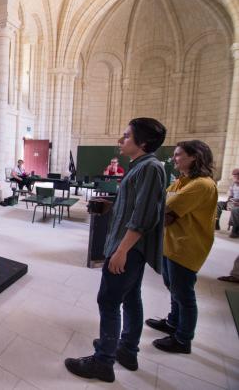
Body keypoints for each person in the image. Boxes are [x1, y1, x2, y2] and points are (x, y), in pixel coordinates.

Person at [65, 118, 167, 383]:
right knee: (131, 297)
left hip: (128, 249)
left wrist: (121, 251)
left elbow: (143, 217)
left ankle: (103, 362)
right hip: (126, 246)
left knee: (108, 302)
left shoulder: (150, 168)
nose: (120, 141)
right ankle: (127, 350)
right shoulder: (140, 167)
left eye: (126, 136)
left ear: (142, 142)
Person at [145, 140, 217, 354]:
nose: (174, 158)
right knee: (172, 287)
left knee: (184, 293)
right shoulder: (182, 181)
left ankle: (183, 339)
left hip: (187, 245)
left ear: (194, 157)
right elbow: (163, 205)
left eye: (178, 155)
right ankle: (173, 322)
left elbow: (165, 213)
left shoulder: (202, 184)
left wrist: (160, 212)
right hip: (172, 244)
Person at [216, 168, 239, 235]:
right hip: (233, 202)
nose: (234, 177)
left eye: (236, 175)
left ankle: (236, 228)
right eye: (233, 175)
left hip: (238, 205)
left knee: (235, 210)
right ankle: (216, 222)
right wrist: (229, 201)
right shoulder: (233, 184)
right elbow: (231, 195)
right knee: (218, 204)